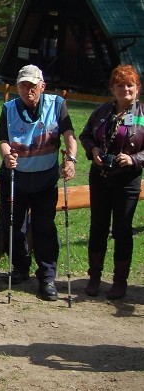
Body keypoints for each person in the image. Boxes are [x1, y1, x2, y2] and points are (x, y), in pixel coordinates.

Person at [0, 64, 77, 301]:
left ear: (42, 86)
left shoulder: (56, 104)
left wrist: (70, 159)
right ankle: (20, 268)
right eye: (23, 85)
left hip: (45, 178)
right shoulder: (9, 108)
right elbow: (3, 140)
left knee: (44, 227)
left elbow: (69, 135)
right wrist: (6, 155)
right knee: (14, 225)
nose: (27, 90)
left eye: (32, 85)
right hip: (15, 177)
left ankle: (47, 277)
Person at [79, 64, 143, 300]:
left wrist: (134, 158)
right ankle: (94, 276)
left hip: (127, 181)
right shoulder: (102, 111)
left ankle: (119, 281)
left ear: (137, 89)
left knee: (122, 230)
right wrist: (93, 149)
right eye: (120, 85)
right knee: (97, 227)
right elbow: (85, 135)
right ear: (112, 88)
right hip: (100, 177)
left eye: (130, 85)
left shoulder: (143, 114)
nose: (125, 89)